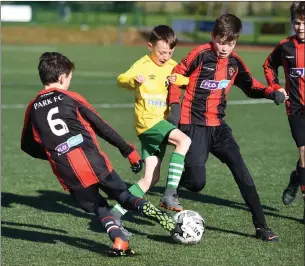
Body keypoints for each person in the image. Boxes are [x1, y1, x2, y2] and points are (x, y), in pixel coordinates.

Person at [20, 52, 176, 256]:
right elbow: (101, 126)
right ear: (61, 78)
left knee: (99, 206)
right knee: (123, 195)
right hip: (93, 162)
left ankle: (119, 241)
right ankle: (163, 220)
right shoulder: (70, 97)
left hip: (67, 171)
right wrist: (128, 150)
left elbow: (27, 146)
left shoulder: (32, 107)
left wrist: (54, 153)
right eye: (69, 78)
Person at [168, 14, 287, 242]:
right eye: (221, 42)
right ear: (213, 37)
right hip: (194, 125)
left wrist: (272, 93)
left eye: (230, 43)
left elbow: (251, 86)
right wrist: (174, 109)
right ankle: (175, 187)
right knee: (196, 183)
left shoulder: (234, 63)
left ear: (236, 41)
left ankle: (262, 226)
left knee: (242, 172)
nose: (224, 48)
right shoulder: (200, 55)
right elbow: (175, 76)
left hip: (219, 128)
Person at [109, 25, 191, 232]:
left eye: (170, 52)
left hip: (160, 124)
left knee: (150, 178)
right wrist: (133, 80)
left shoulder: (173, 65)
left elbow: (187, 81)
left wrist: (179, 79)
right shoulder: (142, 65)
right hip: (148, 122)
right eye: (162, 52)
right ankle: (170, 193)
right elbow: (121, 79)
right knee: (184, 141)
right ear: (149, 46)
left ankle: (114, 214)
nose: (166, 56)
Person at [263, 1, 305, 218]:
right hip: (296, 108)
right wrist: (277, 86)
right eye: (297, 23)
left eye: (304, 23)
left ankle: (296, 179)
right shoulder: (285, 46)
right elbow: (269, 65)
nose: (301, 27)